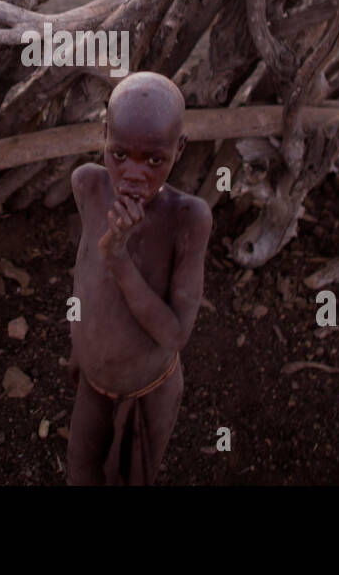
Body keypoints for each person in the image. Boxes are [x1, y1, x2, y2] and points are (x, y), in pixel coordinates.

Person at [66, 71, 211, 485]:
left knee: (132, 477)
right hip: (93, 381)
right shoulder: (88, 186)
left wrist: (118, 257)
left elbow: (175, 334)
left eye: (154, 160)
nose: (133, 174)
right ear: (105, 135)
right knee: (80, 470)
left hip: (149, 390)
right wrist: (78, 348)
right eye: (120, 154)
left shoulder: (187, 219)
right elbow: (84, 278)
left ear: (179, 149)